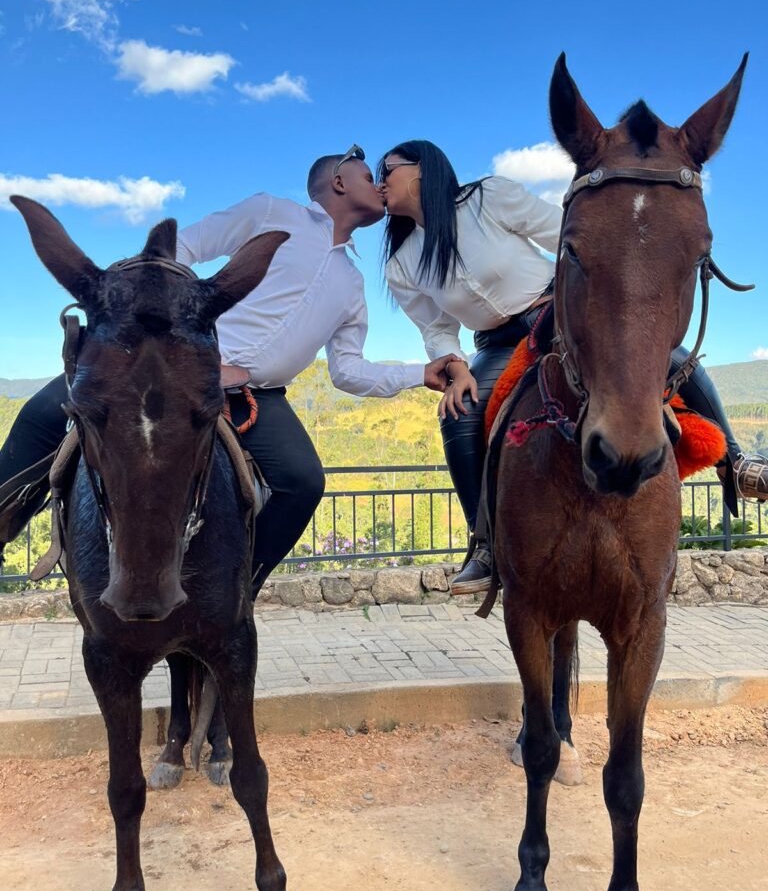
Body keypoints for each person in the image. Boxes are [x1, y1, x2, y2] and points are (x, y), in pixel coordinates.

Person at [0, 146, 458, 591]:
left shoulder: (353, 284)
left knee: (303, 483)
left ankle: (240, 586)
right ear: (339, 181)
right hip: (178, 368)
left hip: (260, 396)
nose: (380, 185)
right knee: (46, 410)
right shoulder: (271, 211)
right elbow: (185, 246)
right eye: (367, 176)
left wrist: (420, 373)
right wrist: (170, 332)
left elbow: (348, 371)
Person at [380, 139, 768, 596]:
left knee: (666, 358)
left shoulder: (488, 197)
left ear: (422, 169)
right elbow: (437, 329)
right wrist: (456, 367)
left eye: (387, 169)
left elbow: (564, 233)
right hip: (496, 342)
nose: (381, 180)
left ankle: (737, 462)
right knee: (460, 413)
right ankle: (485, 545)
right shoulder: (401, 264)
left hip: (557, 309)